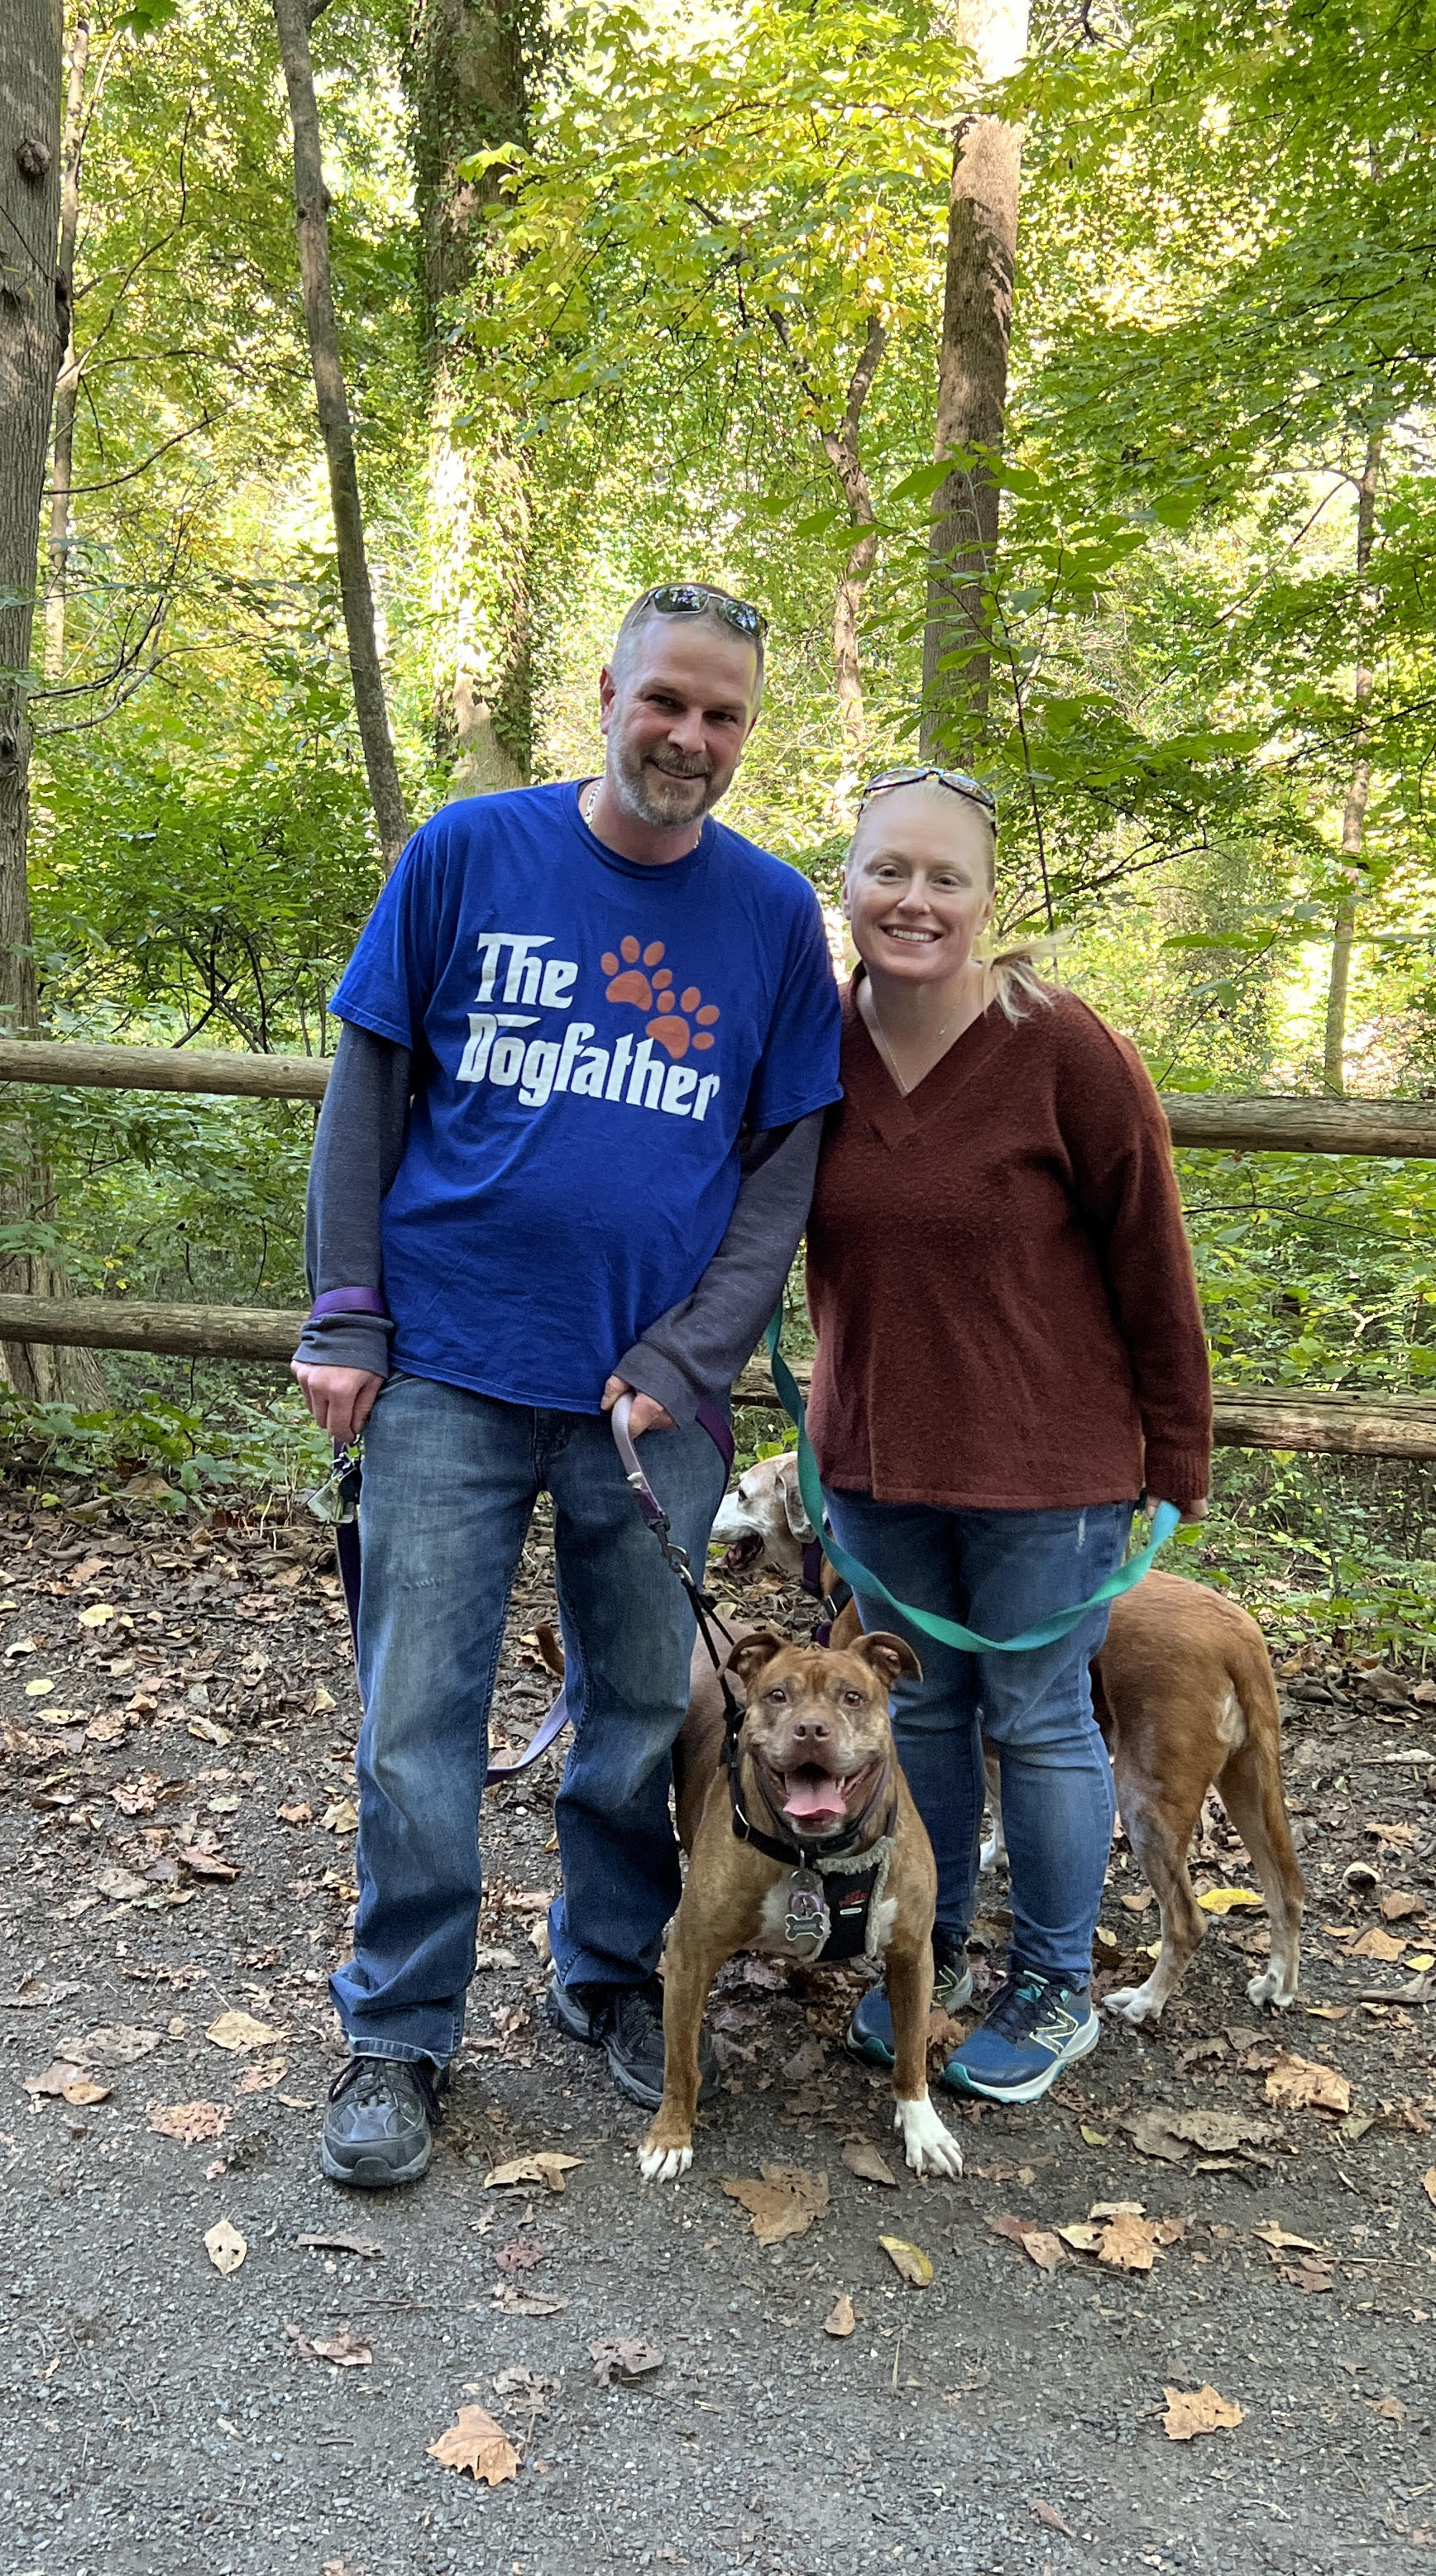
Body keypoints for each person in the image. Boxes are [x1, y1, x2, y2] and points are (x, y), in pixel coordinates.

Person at [291, 584, 844, 2188]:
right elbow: (367, 1090)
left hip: (651, 1403)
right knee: (416, 1720)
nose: (688, 736)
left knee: (635, 1714)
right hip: (445, 1370)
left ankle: (608, 1970)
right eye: (665, 700)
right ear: (608, 692)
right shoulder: (468, 853)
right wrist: (346, 1313)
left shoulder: (770, 918)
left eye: (722, 714)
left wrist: (693, 1352)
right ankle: (400, 2027)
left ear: (748, 730)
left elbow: (783, 1171)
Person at [804, 763, 1213, 2104]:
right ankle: (928, 1953)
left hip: (1048, 1468)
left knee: (1038, 1719)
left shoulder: (1065, 1048)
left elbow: (1151, 1255)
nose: (914, 901)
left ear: (988, 898)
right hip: (875, 1459)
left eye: (947, 877)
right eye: (888, 871)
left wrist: (1179, 1447)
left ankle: (1052, 1982)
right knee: (919, 1717)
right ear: (848, 884)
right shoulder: (810, 1040)